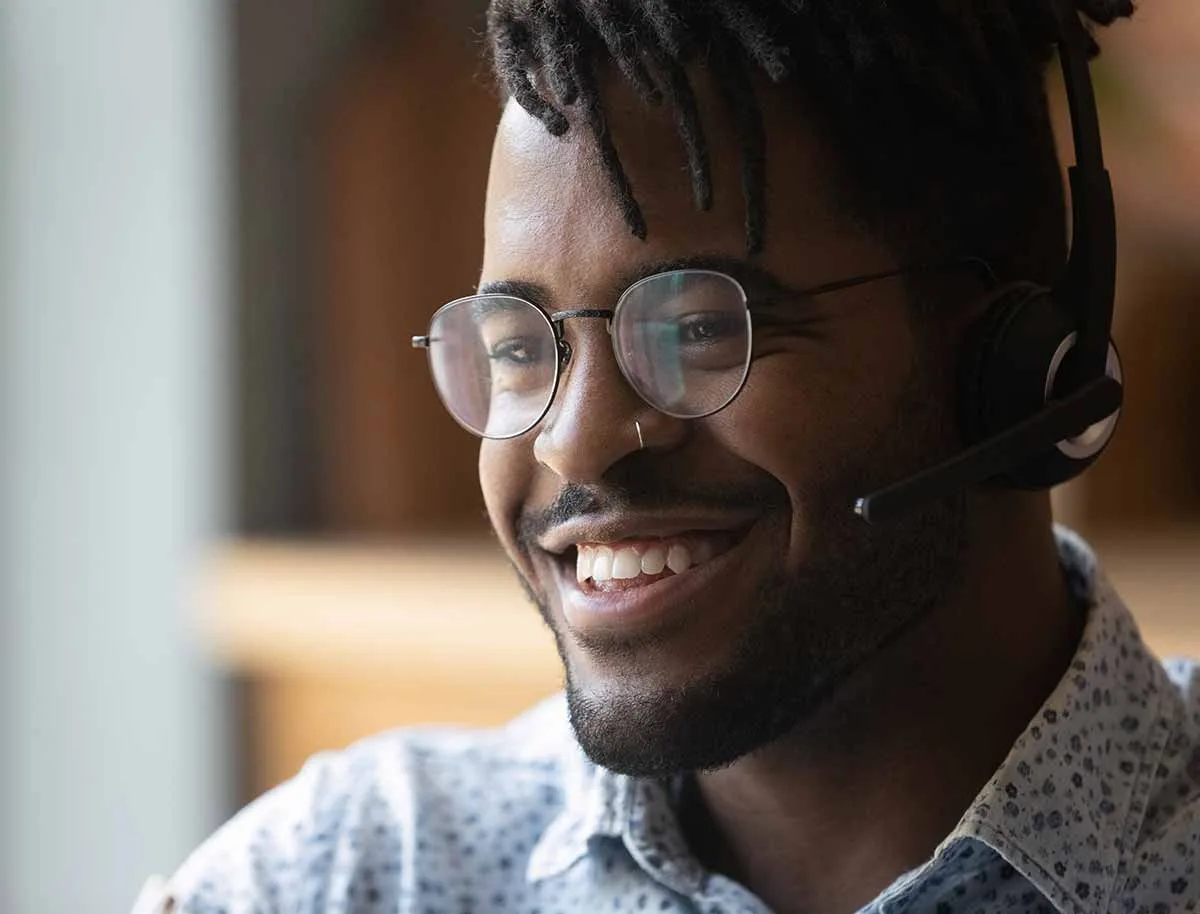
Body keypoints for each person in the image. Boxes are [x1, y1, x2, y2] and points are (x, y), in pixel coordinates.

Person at [139, 2, 1200, 912]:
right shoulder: (346, 875)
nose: (572, 437)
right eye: (518, 345)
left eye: (699, 328)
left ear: (1020, 366)